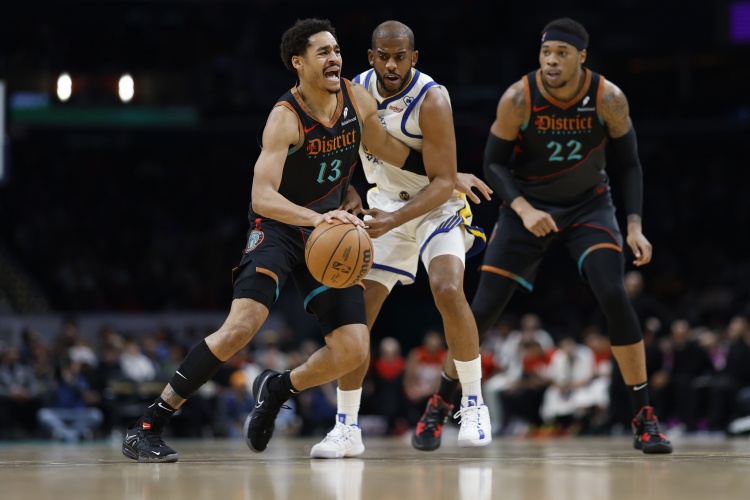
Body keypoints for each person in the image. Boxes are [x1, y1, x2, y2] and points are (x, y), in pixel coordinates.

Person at [122, 18, 424, 462]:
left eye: (337, 50)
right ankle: (148, 424)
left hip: (330, 231)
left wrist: (445, 174)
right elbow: (262, 197)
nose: (335, 58)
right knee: (242, 326)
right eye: (323, 52)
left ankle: (278, 388)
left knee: (353, 349)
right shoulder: (285, 117)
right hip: (280, 227)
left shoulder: (356, 98)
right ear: (298, 63)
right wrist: (318, 218)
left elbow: (388, 150)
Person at [462, 17, 672, 453]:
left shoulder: (608, 98)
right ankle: (442, 404)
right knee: (480, 310)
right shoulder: (519, 97)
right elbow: (493, 164)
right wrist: (523, 209)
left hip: (587, 206)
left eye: (561, 53)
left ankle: (644, 417)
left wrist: (634, 226)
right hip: (528, 206)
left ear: (581, 57)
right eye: (546, 52)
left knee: (614, 294)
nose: (552, 61)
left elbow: (629, 164)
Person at [309, 20, 492, 459]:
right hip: (383, 205)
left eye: (400, 57)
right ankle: (347, 427)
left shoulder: (433, 99)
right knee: (357, 314)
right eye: (384, 56)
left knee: (447, 289)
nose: (392, 65)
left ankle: (473, 404)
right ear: (371, 57)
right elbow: (339, 150)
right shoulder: (352, 91)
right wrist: (349, 189)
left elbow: (444, 181)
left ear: (414, 57)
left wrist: (394, 220)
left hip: (435, 206)